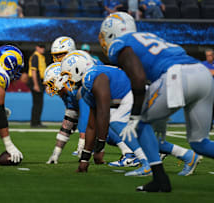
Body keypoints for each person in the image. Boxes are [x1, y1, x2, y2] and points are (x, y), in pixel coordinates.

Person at [99, 11, 214, 191]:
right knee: (200, 143)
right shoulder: (150, 36)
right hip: (202, 74)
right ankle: (161, 176)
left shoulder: (120, 44)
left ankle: (160, 180)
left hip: (177, 75)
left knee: (141, 125)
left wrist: (135, 115)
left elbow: (138, 79)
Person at [44, 61, 141, 169]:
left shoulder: (86, 83)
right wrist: (57, 153)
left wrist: (94, 144)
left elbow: (92, 117)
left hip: (132, 95)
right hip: (119, 101)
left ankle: (131, 154)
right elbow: (78, 122)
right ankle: (152, 150)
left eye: (51, 83)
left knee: (111, 123)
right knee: (107, 129)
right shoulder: (73, 93)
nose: (50, 88)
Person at [28, 44, 46, 128]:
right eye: (41, 47)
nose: (43, 49)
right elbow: (33, 71)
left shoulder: (41, 57)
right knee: (37, 103)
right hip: (36, 81)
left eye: (43, 47)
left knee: (39, 103)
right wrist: (36, 84)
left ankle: (37, 121)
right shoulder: (35, 56)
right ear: (37, 47)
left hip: (40, 81)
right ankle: (34, 122)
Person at [202, 48, 214, 129]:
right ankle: (208, 126)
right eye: (207, 56)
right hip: (207, 89)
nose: (208, 57)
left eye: (210, 55)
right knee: (207, 108)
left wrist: (209, 71)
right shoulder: (203, 64)